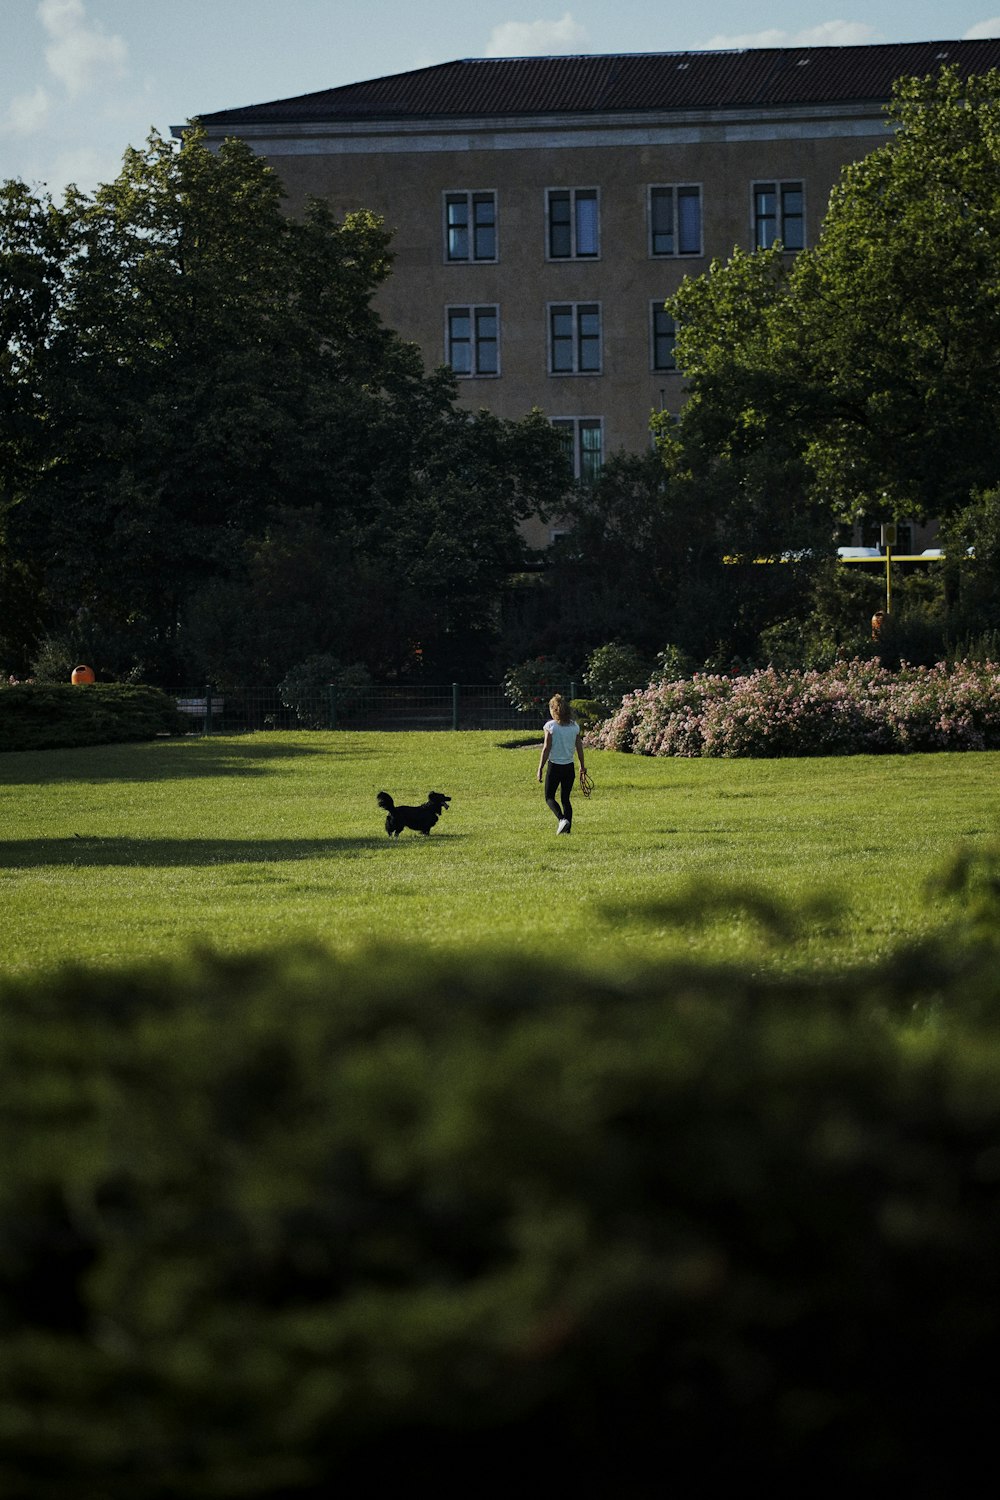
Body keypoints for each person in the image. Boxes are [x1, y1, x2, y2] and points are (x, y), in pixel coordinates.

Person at [537, 692, 586, 834]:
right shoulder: (574, 726)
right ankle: (567, 830)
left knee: (549, 797)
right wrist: (582, 765)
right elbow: (579, 748)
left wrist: (540, 768)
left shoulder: (550, 726)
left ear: (554, 710)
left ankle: (561, 819)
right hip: (569, 767)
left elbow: (546, 748)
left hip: (554, 767)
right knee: (566, 798)